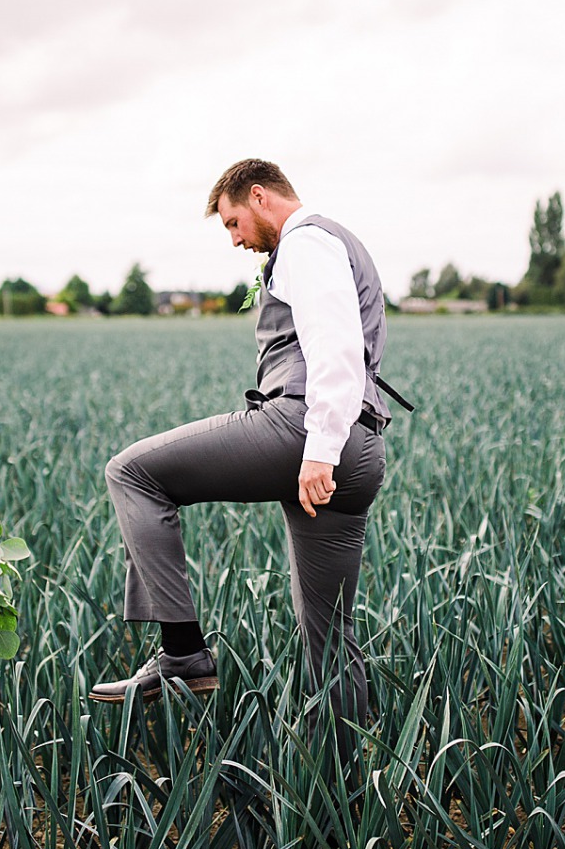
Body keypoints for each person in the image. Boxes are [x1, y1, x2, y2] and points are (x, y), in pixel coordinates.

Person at [95, 159, 409, 765]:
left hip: (308, 431)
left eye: (234, 222)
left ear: (260, 198)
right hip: (363, 444)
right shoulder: (336, 242)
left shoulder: (306, 240)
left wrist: (318, 450)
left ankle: (183, 652)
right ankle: (343, 793)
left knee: (132, 473)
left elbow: (335, 343)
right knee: (330, 635)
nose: (236, 238)